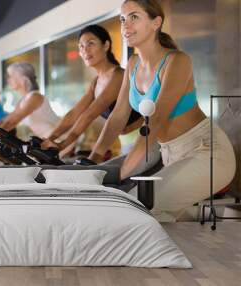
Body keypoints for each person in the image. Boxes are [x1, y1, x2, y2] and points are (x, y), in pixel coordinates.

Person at [89, 0, 235, 219]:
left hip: (206, 152)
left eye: (134, 17)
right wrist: (92, 160)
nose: (125, 25)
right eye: (122, 19)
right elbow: (118, 116)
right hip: (172, 155)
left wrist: (123, 171)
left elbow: (156, 120)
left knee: (138, 205)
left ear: (156, 22)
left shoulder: (177, 61)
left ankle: (211, 217)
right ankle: (205, 218)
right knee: (155, 214)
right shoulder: (133, 64)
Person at [41, 24, 144, 160]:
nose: (85, 50)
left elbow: (89, 114)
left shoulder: (119, 75)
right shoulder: (95, 83)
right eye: (81, 46)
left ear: (106, 45)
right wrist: (50, 139)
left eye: (91, 43)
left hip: (143, 137)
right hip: (125, 142)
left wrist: (63, 144)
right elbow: (74, 114)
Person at [0, 62, 59, 139]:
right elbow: (8, 119)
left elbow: (15, 120)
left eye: (11, 76)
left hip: (59, 139)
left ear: (22, 79)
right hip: (47, 140)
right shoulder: (23, 100)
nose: (8, 80)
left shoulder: (35, 97)